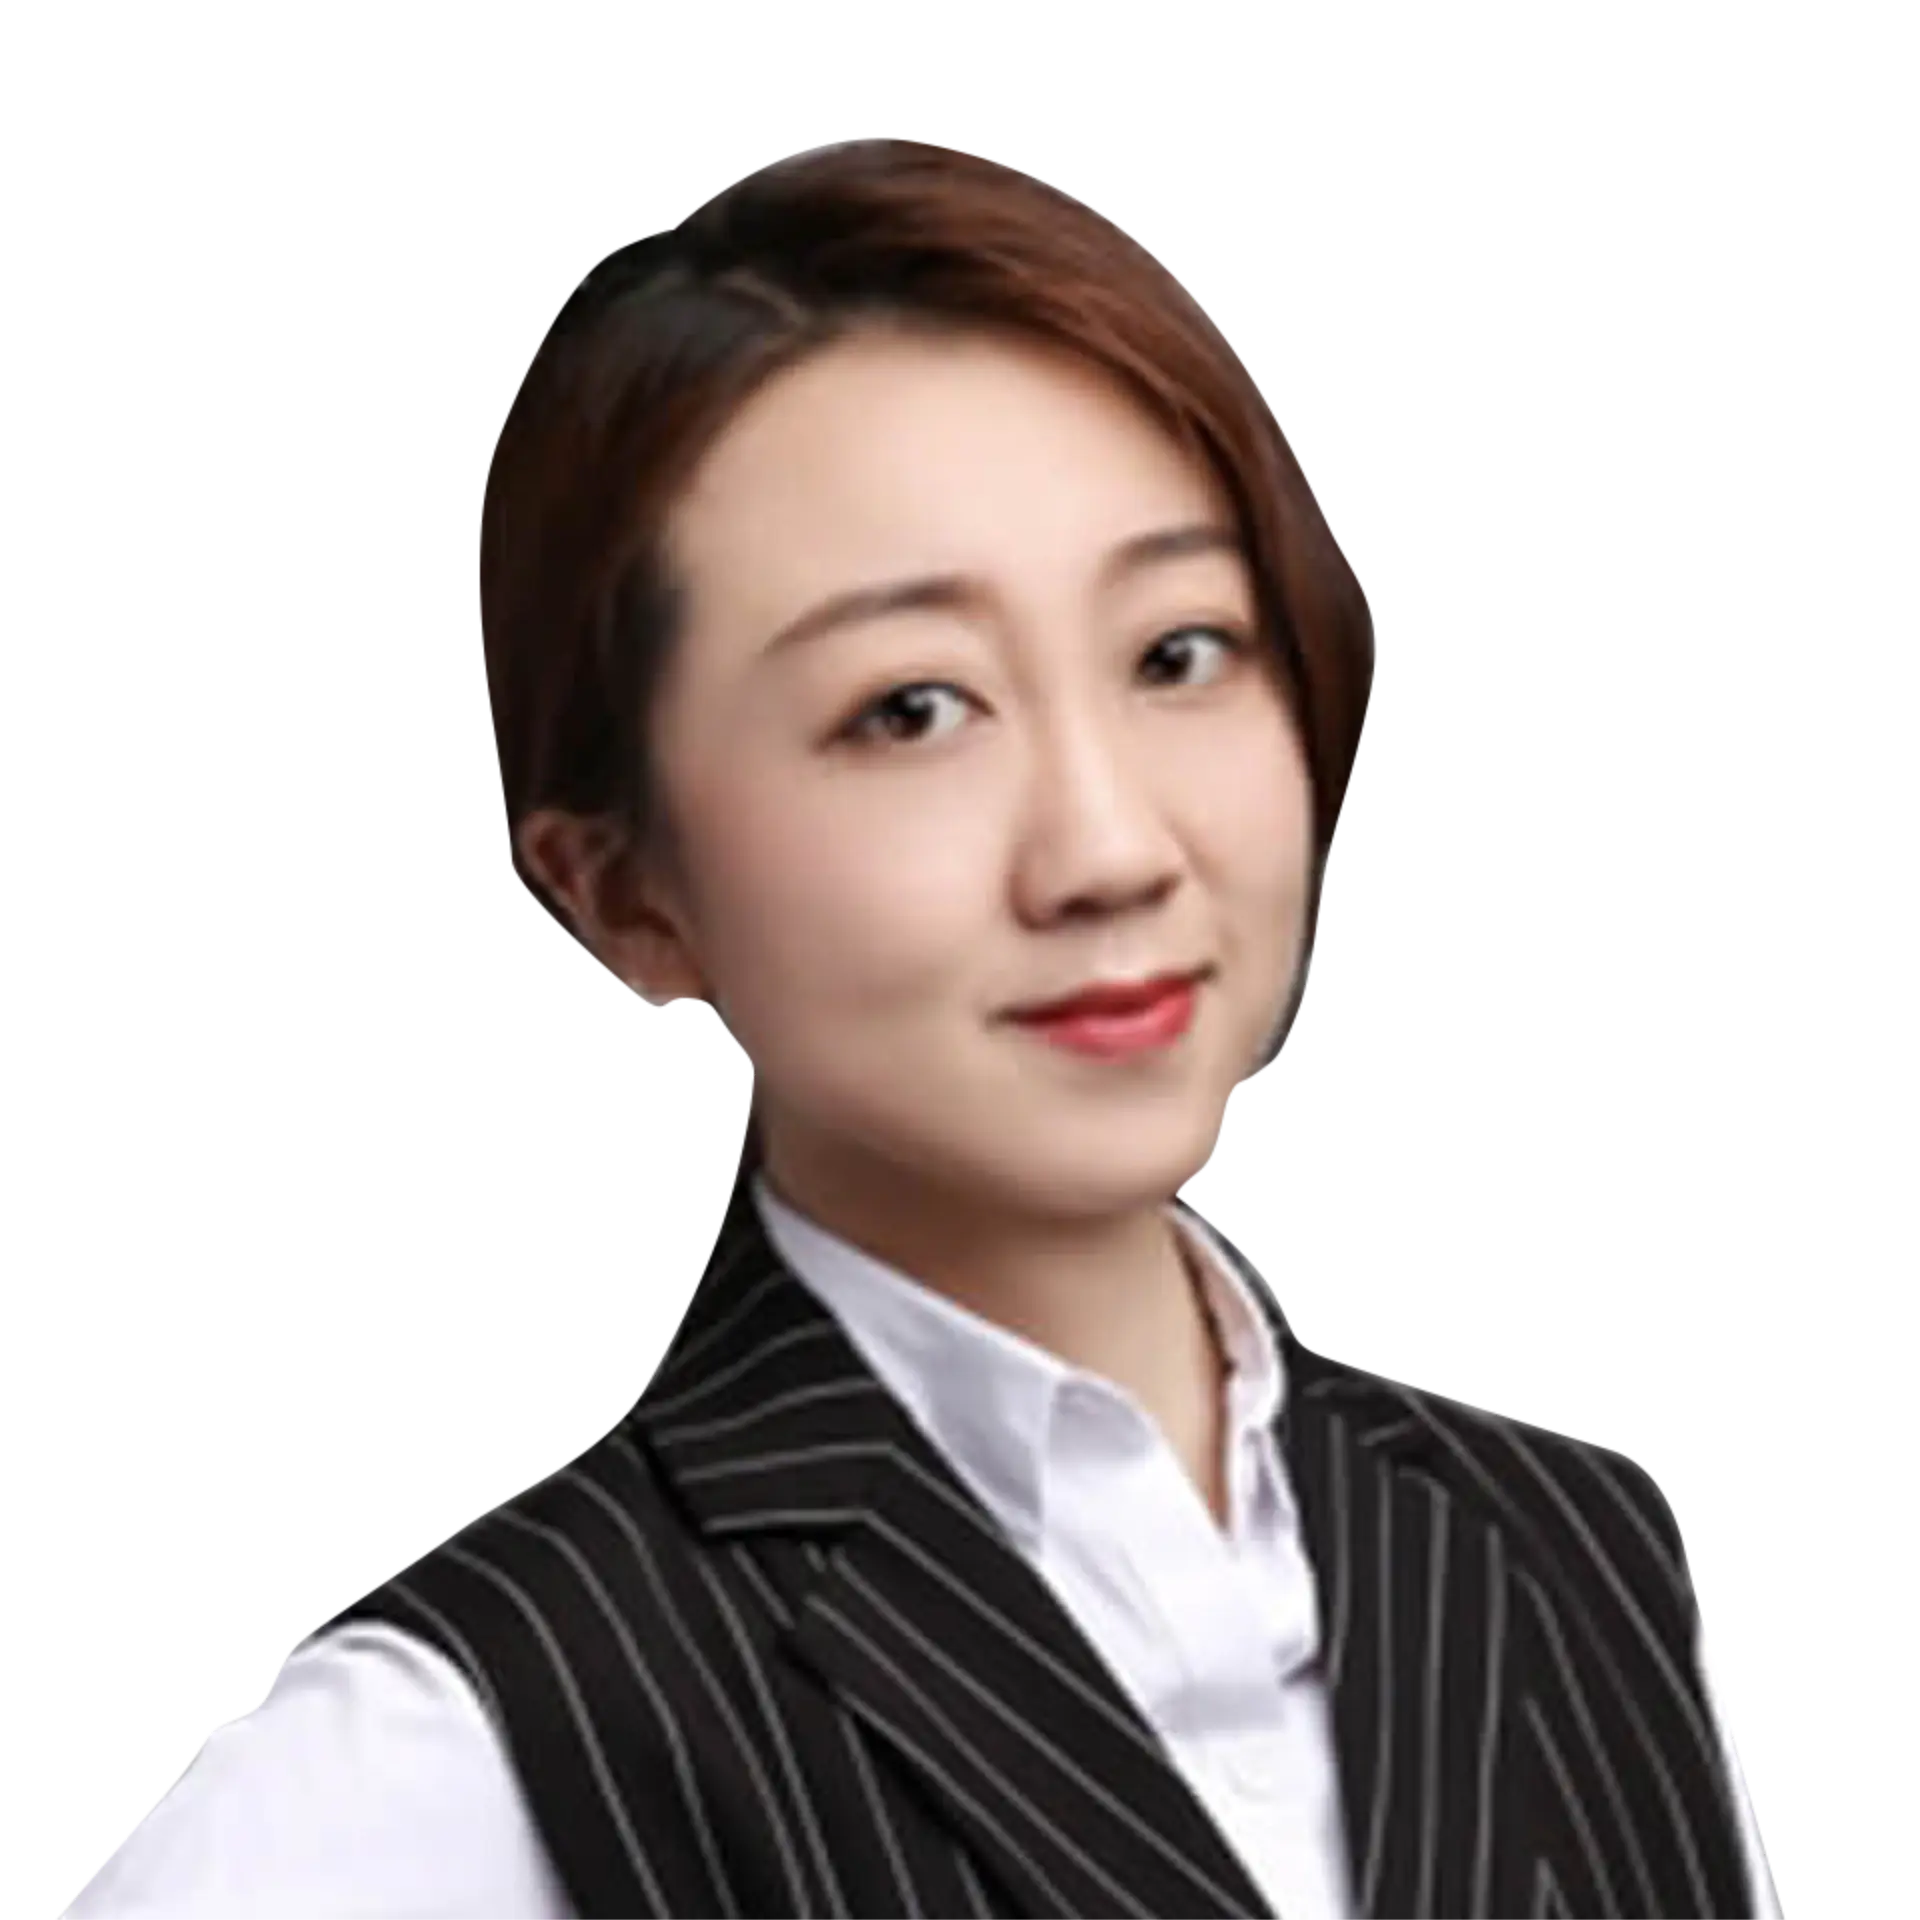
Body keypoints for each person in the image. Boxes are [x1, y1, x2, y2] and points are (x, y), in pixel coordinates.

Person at [58, 138, 1780, 1918]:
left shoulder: (1585, 1560)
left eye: (1180, 651)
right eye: (910, 709)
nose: (1109, 849)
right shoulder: (489, 1729)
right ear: (624, 890)